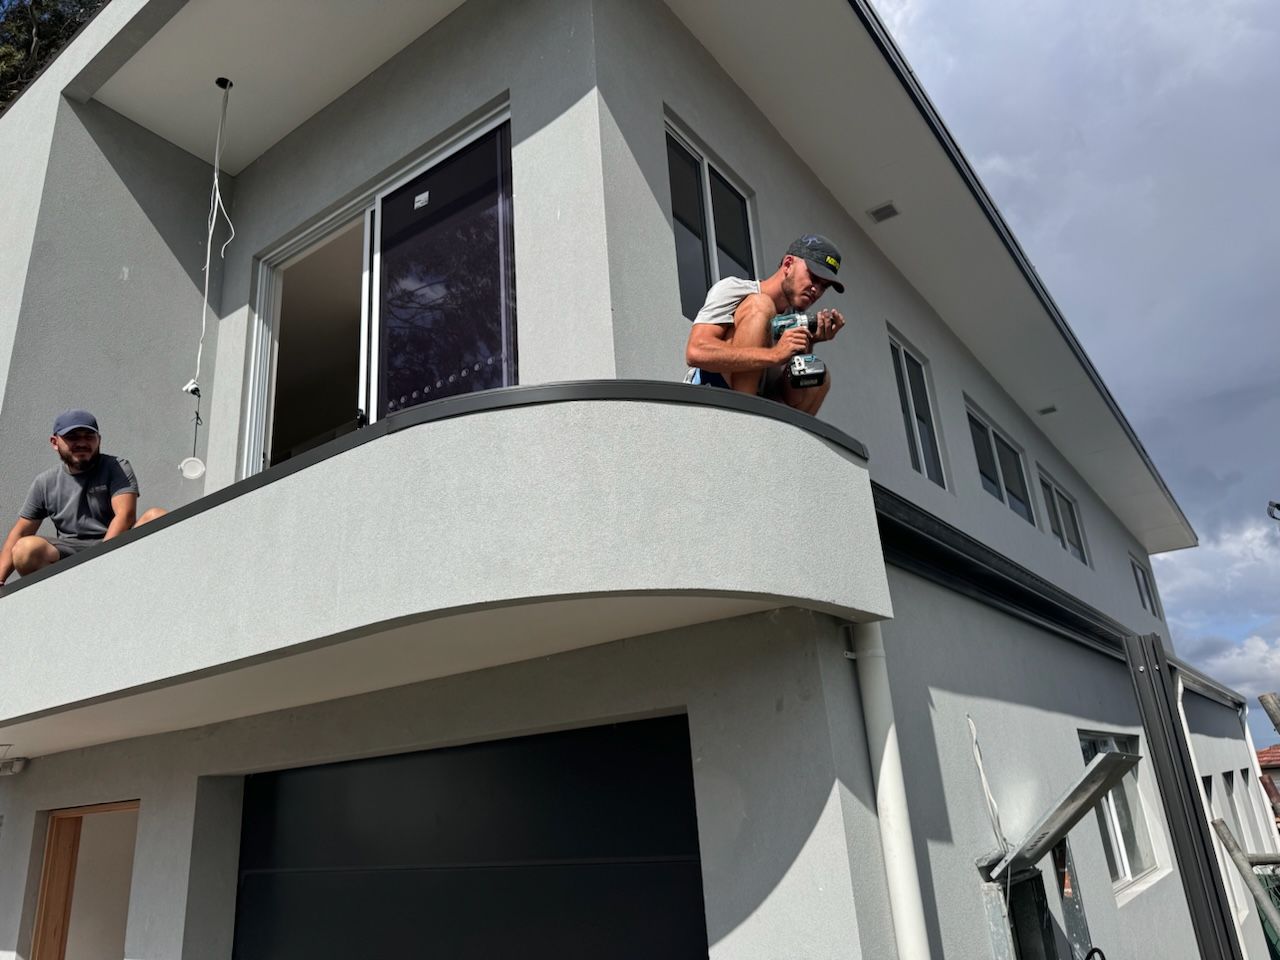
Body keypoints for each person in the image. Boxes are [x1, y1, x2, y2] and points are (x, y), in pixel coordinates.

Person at [0, 410, 166, 588]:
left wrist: (101, 563)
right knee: (25, 549)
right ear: (55, 443)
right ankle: (61, 597)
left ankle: (149, 585)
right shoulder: (45, 483)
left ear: (99, 440)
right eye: (72, 437)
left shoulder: (116, 467)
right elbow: (22, 531)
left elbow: (125, 516)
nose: (82, 443)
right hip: (69, 556)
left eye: (89, 436)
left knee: (157, 516)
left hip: (116, 546)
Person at [684, 234, 847, 415]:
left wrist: (808, 345)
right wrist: (775, 355)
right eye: (813, 277)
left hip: (761, 417)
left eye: (824, 286)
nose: (816, 289)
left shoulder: (796, 321)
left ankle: (780, 436)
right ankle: (745, 418)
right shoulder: (736, 290)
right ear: (788, 264)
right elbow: (696, 352)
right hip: (710, 401)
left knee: (819, 375)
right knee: (761, 305)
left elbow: (790, 399)